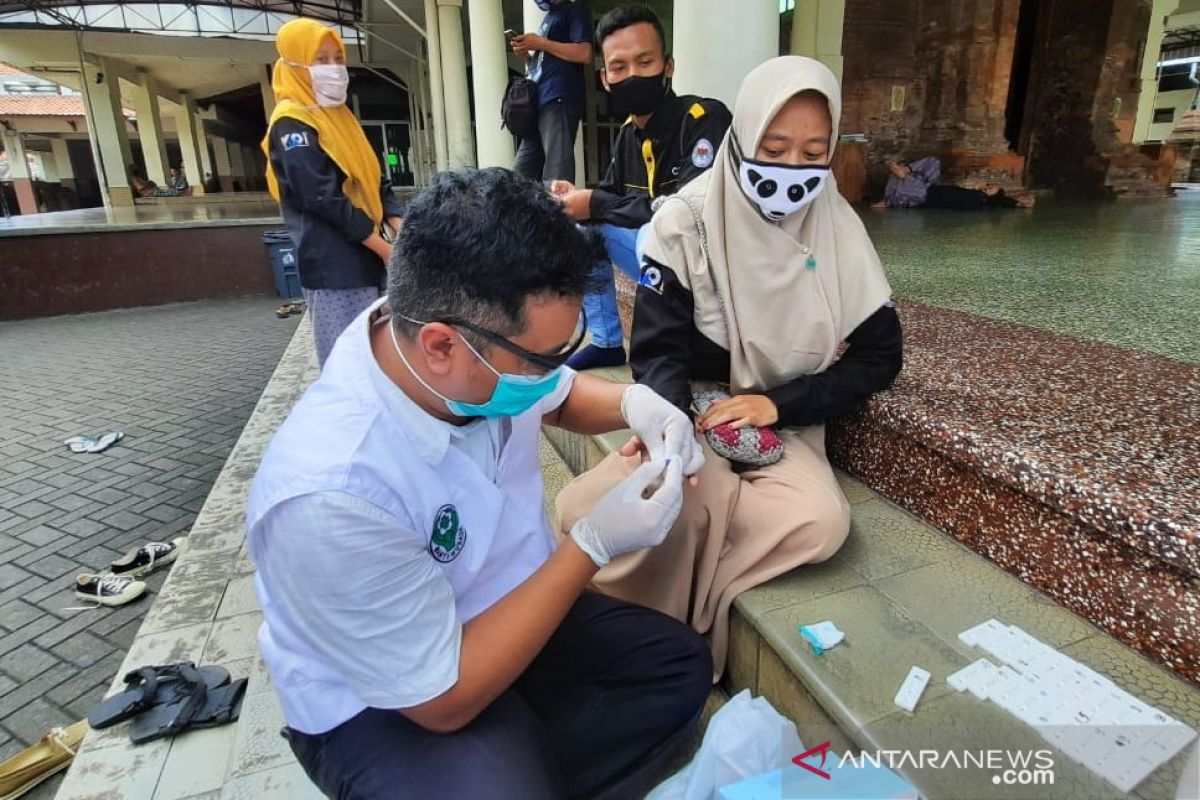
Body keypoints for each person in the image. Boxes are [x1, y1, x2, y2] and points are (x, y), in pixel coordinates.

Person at [247, 168, 713, 799]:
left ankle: (519, 766)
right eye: (542, 357)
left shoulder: (462, 354)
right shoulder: (332, 492)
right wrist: (592, 545)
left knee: (677, 669)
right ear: (441, 345)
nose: (556, 370)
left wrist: (637, 403)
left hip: (507, 601)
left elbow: (556, 394)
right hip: (388, 696)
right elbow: (440, 699)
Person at [556, 57, 904, 678]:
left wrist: (780, 404)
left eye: (812, 152)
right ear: (741, 135)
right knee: (687, 493)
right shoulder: (686, 220)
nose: (793, 169)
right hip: (693, 404)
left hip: (780, 417)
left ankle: (704, 595)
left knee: (819, 522)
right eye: (774, 147)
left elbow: (881, 355)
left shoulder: (838, 228)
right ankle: (645, 635)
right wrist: (674, 432)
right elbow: (659, 352)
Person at [554, 5, 731, 371]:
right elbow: (608, 200)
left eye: (644, 62)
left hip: (707, 275)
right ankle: (606, 342)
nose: (632, 75)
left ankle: (680, 346)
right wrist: (577, 199)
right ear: (605, 78)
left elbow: (692, 214)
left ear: (668, 66)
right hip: (653, 262)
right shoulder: (626, 136)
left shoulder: (702, 120)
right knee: (579, 230)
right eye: (619, 67)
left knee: (658, 230)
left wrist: (597, 203)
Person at [262, 18, 405, 367]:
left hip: (370, 257)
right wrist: (384, 248)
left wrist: (399, 225)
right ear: (294, 64)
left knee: (381, 356)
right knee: (349, 361)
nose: (334, 69)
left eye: (337, 58)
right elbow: (322, 198)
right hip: (335, 265)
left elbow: (373, 175)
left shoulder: (340, 118)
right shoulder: (292, 122)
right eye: (320, 60)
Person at [512, 0, 593, 183]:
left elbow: (584, 53)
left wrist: (541, 43)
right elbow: (544, 63)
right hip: (538, 102)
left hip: (558, 97)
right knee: (519, 177)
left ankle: (558, 211)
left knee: (557, 173)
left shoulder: (575, 9)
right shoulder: (550, 16)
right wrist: (527, 56)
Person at [873, 157, 1033, 210]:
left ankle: (888, 200)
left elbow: (1001, 201)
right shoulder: (974, 192)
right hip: (929, 186)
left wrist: (1017, 204)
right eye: (989, 184)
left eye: (989, 188)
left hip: (924, 195)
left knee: (913, 191)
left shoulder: (976, 200)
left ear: (989, 197)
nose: (987, 186)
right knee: (934, 162)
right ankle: (905, 171)